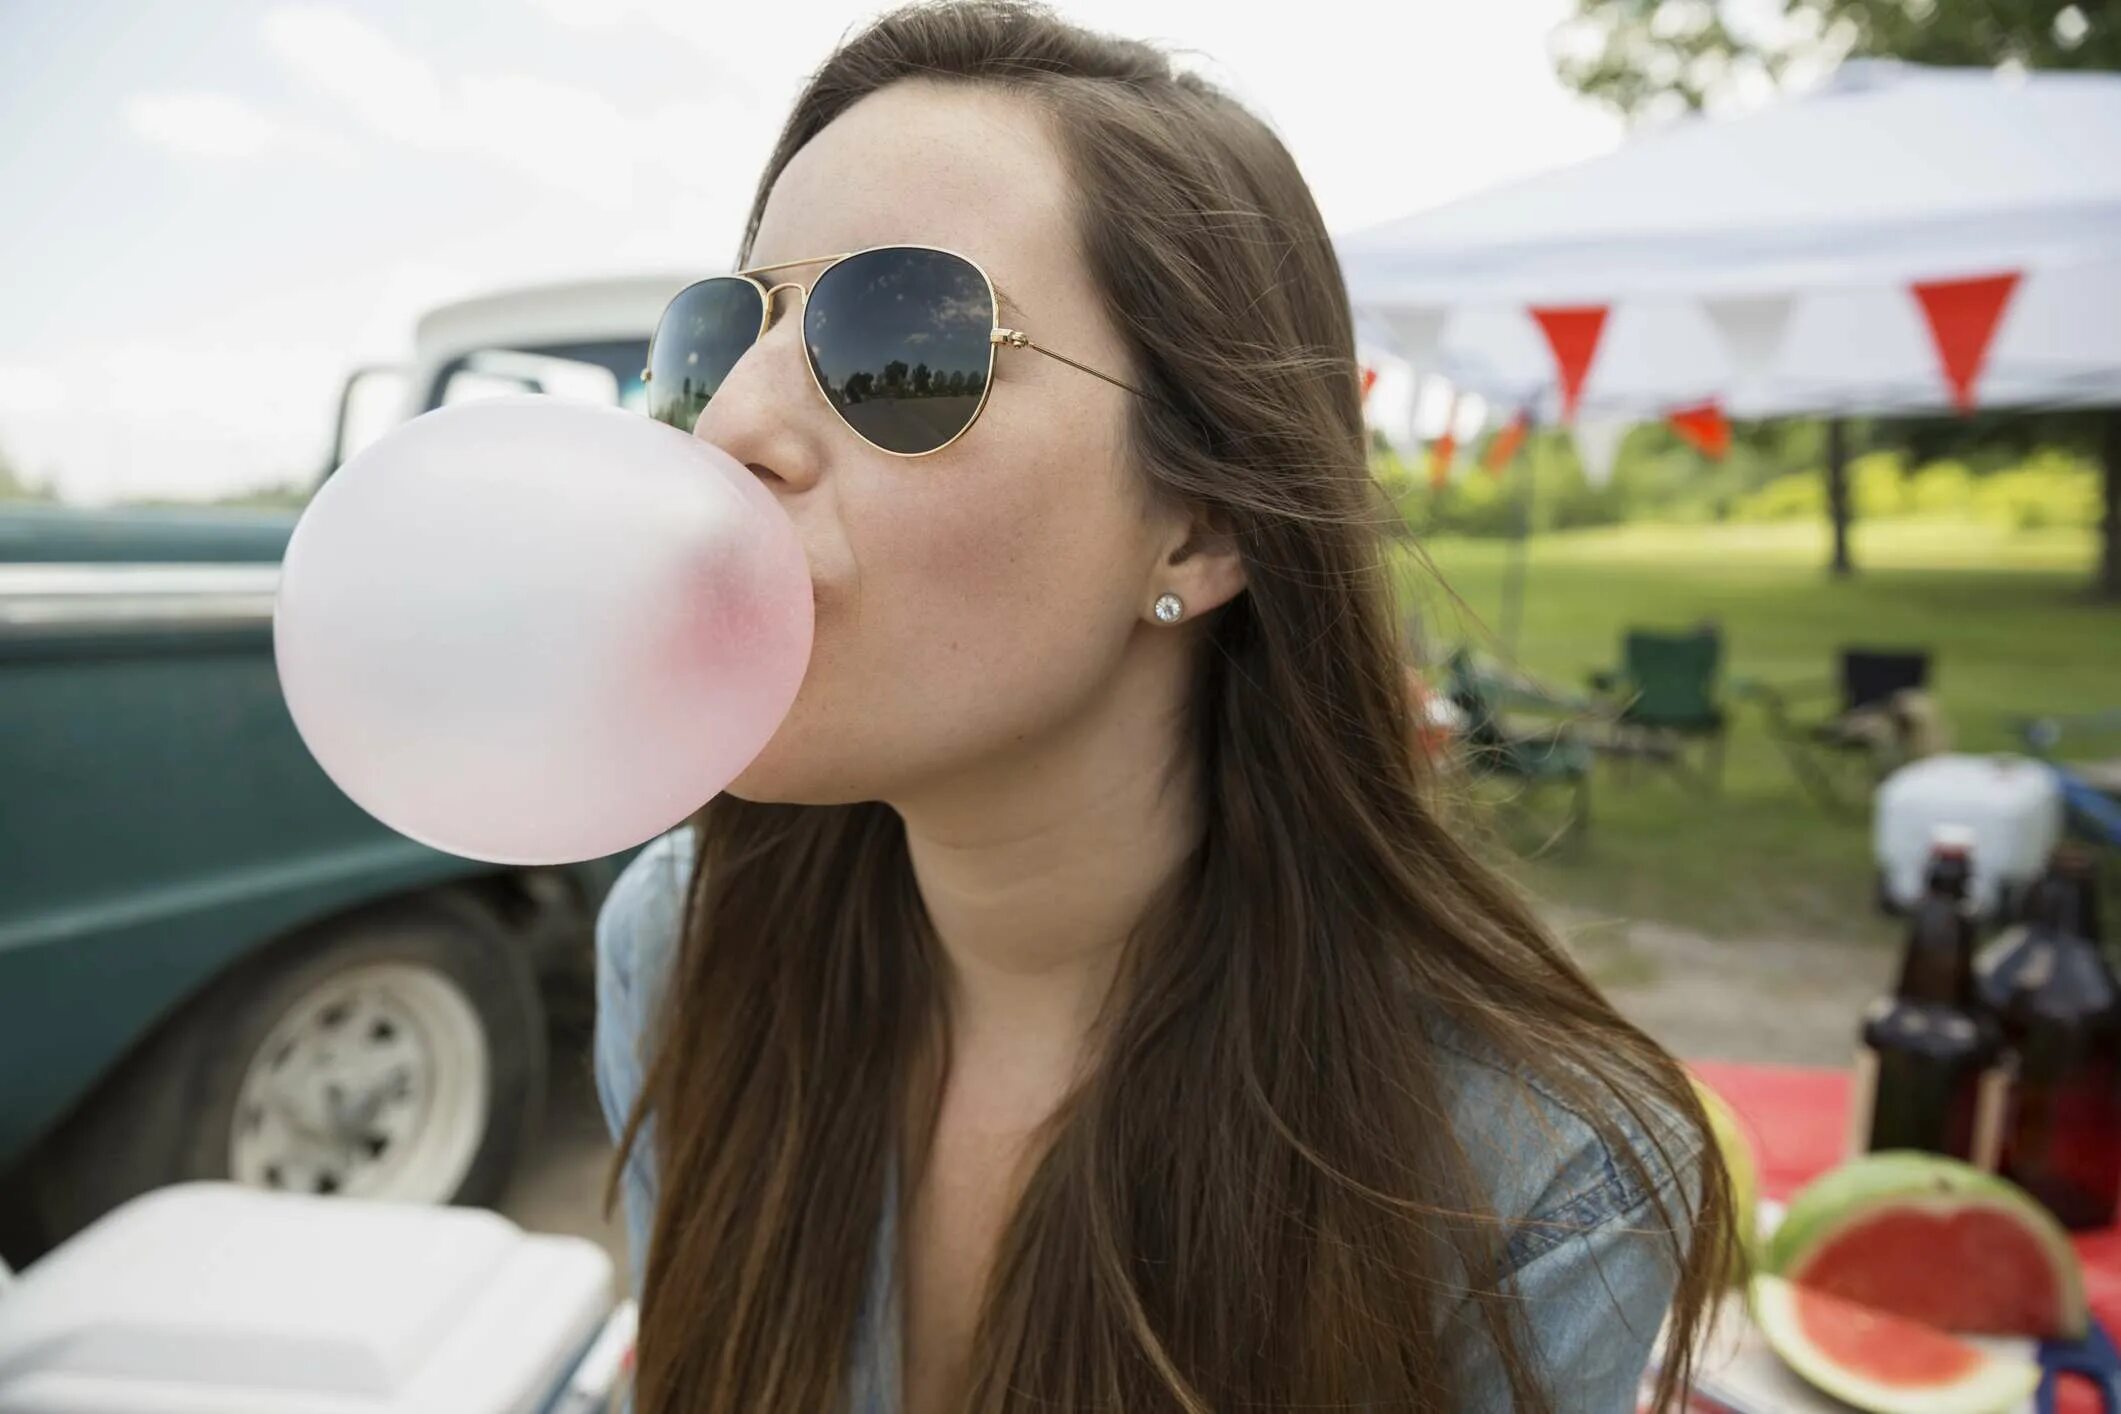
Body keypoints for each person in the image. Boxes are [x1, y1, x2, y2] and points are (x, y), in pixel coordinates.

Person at [595, 4, 1737, 1410]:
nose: (724, 432)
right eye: (717, 338)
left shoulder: (1535, 1186)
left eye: (901, 340)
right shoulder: (674, 944)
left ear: (1198, 524)